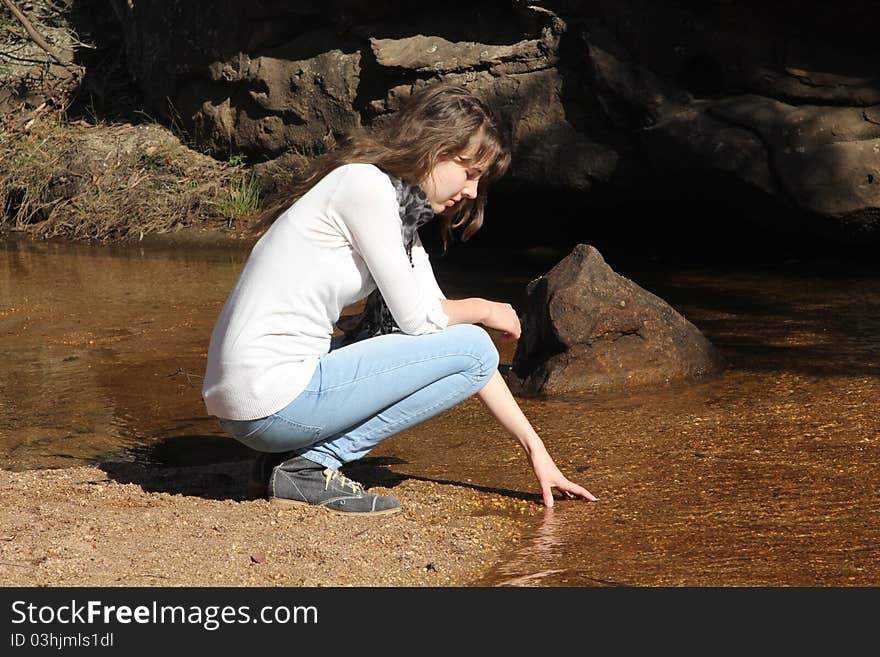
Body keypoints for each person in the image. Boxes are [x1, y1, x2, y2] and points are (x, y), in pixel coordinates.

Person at [202, 82, 597, 516]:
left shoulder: (397, 213)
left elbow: (451, 347)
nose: (471, 191)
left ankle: (286, 460)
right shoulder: (365, 188)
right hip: (269, 399)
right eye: (471, 173)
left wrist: (536, 451)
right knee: (474, 340)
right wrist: (484, 309)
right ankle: (312, 464)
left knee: (467, 345)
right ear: (437, 148)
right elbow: (424, 324)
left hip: (252, 402)